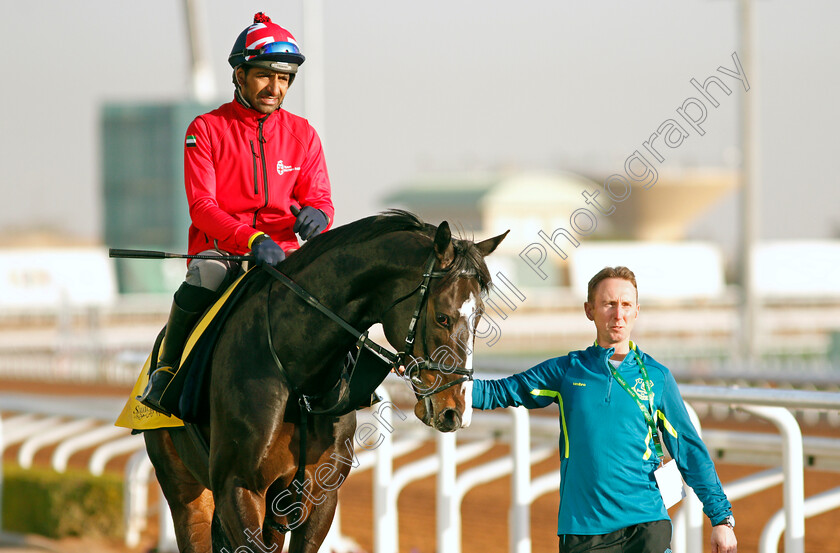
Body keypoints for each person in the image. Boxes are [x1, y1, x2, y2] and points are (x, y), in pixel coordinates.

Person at [138, 12, 334, 415]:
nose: (275, 87)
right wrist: (251, 239)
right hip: (225, 253)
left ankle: (340, 386)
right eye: (265, 75)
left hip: (285, 254)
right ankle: (167, 369)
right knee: (207, 271)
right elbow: (203, 208)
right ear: (240, 75)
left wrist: (319, 214)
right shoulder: (206, 129)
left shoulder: (304, 134)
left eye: (284, 79)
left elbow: (320, 197)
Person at [472, 266, 737, 553]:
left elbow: (688, 449)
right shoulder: (567, 370)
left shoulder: (657, 377)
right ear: (590, 310)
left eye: (625, 305)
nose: (618, 314)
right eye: (609, 304)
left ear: (637, 311)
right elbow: (497, 392)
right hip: (584, 531)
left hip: (647, 526)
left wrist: (721, 518)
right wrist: (443, 382)